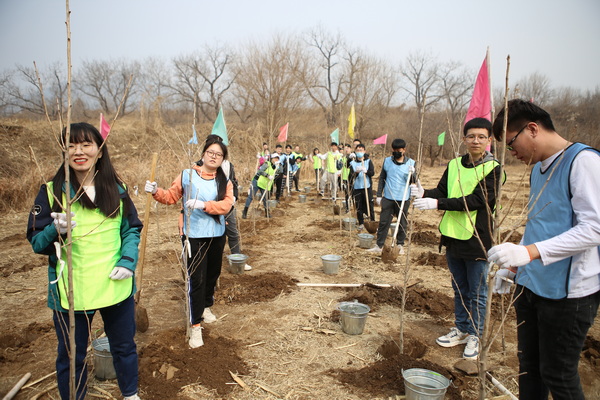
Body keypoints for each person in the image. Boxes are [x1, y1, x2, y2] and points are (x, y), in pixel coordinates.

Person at [487, 99, 600, 399]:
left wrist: (530, 252)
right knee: (529, 368)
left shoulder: (583, 162)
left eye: (511, 144)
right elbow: (540, 224)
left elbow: (594, 228)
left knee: (558, 374)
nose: (512, 154)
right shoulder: (538, 169)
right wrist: (515, 266)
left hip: (569, 295)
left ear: (532, 129)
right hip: (532, 287)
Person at [27, 122, 142, 400]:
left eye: (86, 144)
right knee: (71, 355)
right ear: (64, 151)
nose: (79, 151)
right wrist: (56, 230)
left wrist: (128, 261)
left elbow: (131, 229)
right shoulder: (52, 192)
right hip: (72, 291)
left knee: (124, 347)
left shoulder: (118, 188)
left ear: (100, 150)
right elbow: (36, 242)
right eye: (71, 145)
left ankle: (130, 394)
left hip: (115, 286)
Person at [411, 118, 503, 360]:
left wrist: (437, 203)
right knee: (459, 288)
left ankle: (476, 333)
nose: (476, 141)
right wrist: (424, 193)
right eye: (471, 136)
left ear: (489, 140)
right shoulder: (454, 165)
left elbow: (477, 201)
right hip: (452, 237)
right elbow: (442, 191)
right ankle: (462, 328)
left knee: (478, 291)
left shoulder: (495, 169)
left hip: (478, 239)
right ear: (464, 139)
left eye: (481, 137)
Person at [145, 136, 234, 348]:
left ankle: (205, 306)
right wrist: (156, 191)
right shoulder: (188, 176)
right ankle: (195, 326)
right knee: (197, 279)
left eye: (218, 155)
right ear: (203, 153)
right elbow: (171, 196)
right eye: (211, 152)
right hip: (193, 235)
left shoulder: (224, 180)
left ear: (223, 159)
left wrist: (204, 205)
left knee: (213, 274)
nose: (214, 157)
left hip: (216, 233)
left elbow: (227, 205)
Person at [368, 139, 415, 254]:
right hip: (388, 197)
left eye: (399, 150)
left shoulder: (411, 163)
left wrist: (413, 174)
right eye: (394, 150)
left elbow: (413, 181)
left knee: (402, 223)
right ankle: (379, 246)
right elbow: (382, 179)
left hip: (403, 198)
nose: (396, 152)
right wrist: (379, 195)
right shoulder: (387, 161)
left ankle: (399, 245)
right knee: (384, 222)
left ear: (404, 150)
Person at [242, 152, 281, 218]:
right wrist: (267, 175)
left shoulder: (277, 167)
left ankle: (267, 213)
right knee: (251, 196)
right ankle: (245, 212)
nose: (276, 160)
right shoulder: (267, 164)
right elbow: (260, 171)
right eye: (275, 158)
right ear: (271, 159)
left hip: (265, 184)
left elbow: (280, 172)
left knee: (265, 198)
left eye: (277, 159)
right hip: (257, 181)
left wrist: (279, 166)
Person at [350, 143, 375, 230]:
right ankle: (361, 223)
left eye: (361, 150)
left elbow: (372, 173)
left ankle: (372, 221)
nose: (359, 152)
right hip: (357, 188)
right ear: (355, 151)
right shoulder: (352, 163)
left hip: (367, 187)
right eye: (358, 150)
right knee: (359, 206)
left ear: (364, 151)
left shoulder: (368, 161)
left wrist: (366, 171)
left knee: (369, 205)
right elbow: (351, 176)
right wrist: (356, 173)